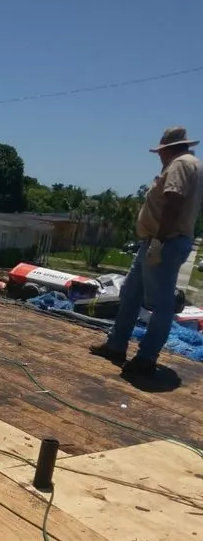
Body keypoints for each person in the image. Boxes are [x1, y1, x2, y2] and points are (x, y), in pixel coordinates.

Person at [90, 127, 203, 376]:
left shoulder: (179, 165)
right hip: (157, 241)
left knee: (161, 304)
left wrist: (159, 241)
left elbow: (173, 202)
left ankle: (146, 357)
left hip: (165, 241)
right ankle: (116, 345)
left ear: (168, 149)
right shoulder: (191, 164)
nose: (160, 157)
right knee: (131, 293)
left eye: (161, 152)